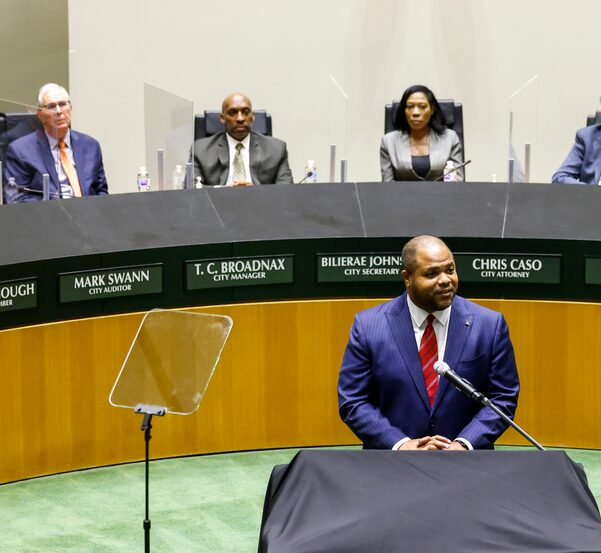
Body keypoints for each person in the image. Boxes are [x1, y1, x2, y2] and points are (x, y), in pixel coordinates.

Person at [338, 235, 520, 450]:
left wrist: (464, 444)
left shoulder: (490, 325)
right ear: (407, 277)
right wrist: (401, 444)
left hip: (468, 465)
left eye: (450, 270)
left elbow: (503, 397)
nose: (445, 280)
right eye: (432, 273)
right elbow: (353, 401)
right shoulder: (368, 326)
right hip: (392, 465)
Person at [3, 83, 108, 203]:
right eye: (51, 106)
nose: (59, 111)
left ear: (70, 108)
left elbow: (101, 191)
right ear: (40, 114)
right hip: (47, 217)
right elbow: (15, 199)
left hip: (86, 215)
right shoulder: (20, 151)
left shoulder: (91, 146)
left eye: (63, 104)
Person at [192, 93, 293, 186]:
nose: (240, 118)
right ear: (222, 118)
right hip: (216, 203)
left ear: (253, 116)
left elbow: (286, 190)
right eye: (232, 112)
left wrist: (255, 192)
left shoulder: (276, 149)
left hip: (262, 203)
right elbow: (192, 188)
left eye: (245, 112)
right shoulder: (200, 150)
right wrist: (223, 191)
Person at [380, 85, 464, 182]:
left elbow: (458, 184)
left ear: (432, 110)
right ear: (404, 111)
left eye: (422, 107)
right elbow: (387, 187)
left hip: (442, 196)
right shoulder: (388, 141)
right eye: (410, 107)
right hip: (401, 196)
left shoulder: (450, 138)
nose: (415, 112)